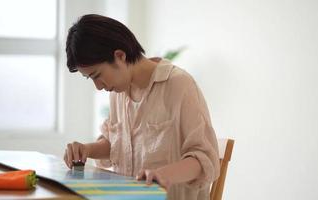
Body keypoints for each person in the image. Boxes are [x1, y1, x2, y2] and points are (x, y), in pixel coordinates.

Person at [63, 14, 220, 200]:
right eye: (90, 78)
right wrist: (87, 150)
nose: (98, 86)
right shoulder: (118, 93)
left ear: (120, 56)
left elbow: (205, 159)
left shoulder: (179, 86)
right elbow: (117, 144)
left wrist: (165, 175)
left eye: (97, 75)